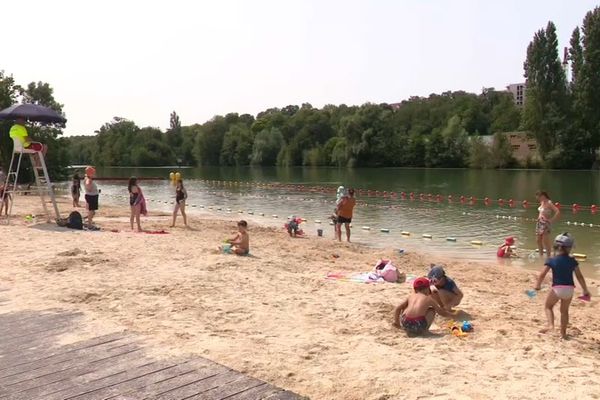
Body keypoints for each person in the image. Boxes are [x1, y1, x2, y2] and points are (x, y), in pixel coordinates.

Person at [534, 233, 591, 339]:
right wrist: (585, 290)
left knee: (548, 306)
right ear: (569, 248)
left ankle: (551, 325)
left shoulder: (552, 260)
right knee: (564, 312)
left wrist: (537, 285)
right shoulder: (572, 261)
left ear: (555, 246)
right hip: (569, 289)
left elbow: (542, 274)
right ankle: (563, 334)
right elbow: (579, 276)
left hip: (557, 289)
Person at [536, 191, 560, 257]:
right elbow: (541, 212)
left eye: (539, 197)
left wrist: (552, 220)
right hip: (539, 223)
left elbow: (557, 211)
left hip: (546, 223)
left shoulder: (549, 203)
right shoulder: (542, 202)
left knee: (545, 240)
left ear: (543, 196)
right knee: (538, 240)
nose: (538, 198)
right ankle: (541, 255)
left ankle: (548, 256)